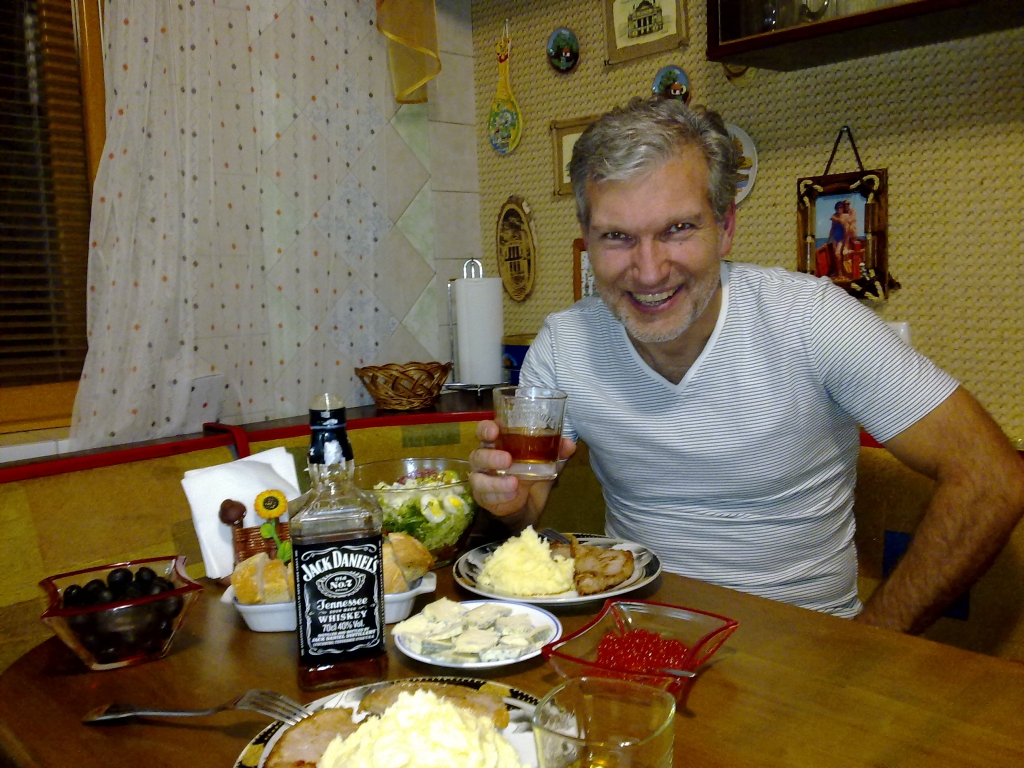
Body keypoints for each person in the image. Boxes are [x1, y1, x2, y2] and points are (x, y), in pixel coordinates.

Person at [469, 96, 1024, 635]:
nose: (649, 270)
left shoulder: (814, 319)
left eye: (678, 229)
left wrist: (871, 645)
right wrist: (507, 501)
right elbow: (525, 507)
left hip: (801, 658)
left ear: (727, 227)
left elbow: (992, 478)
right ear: (588, 241)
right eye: (617, 237)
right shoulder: (564, 343)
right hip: (637, 644)